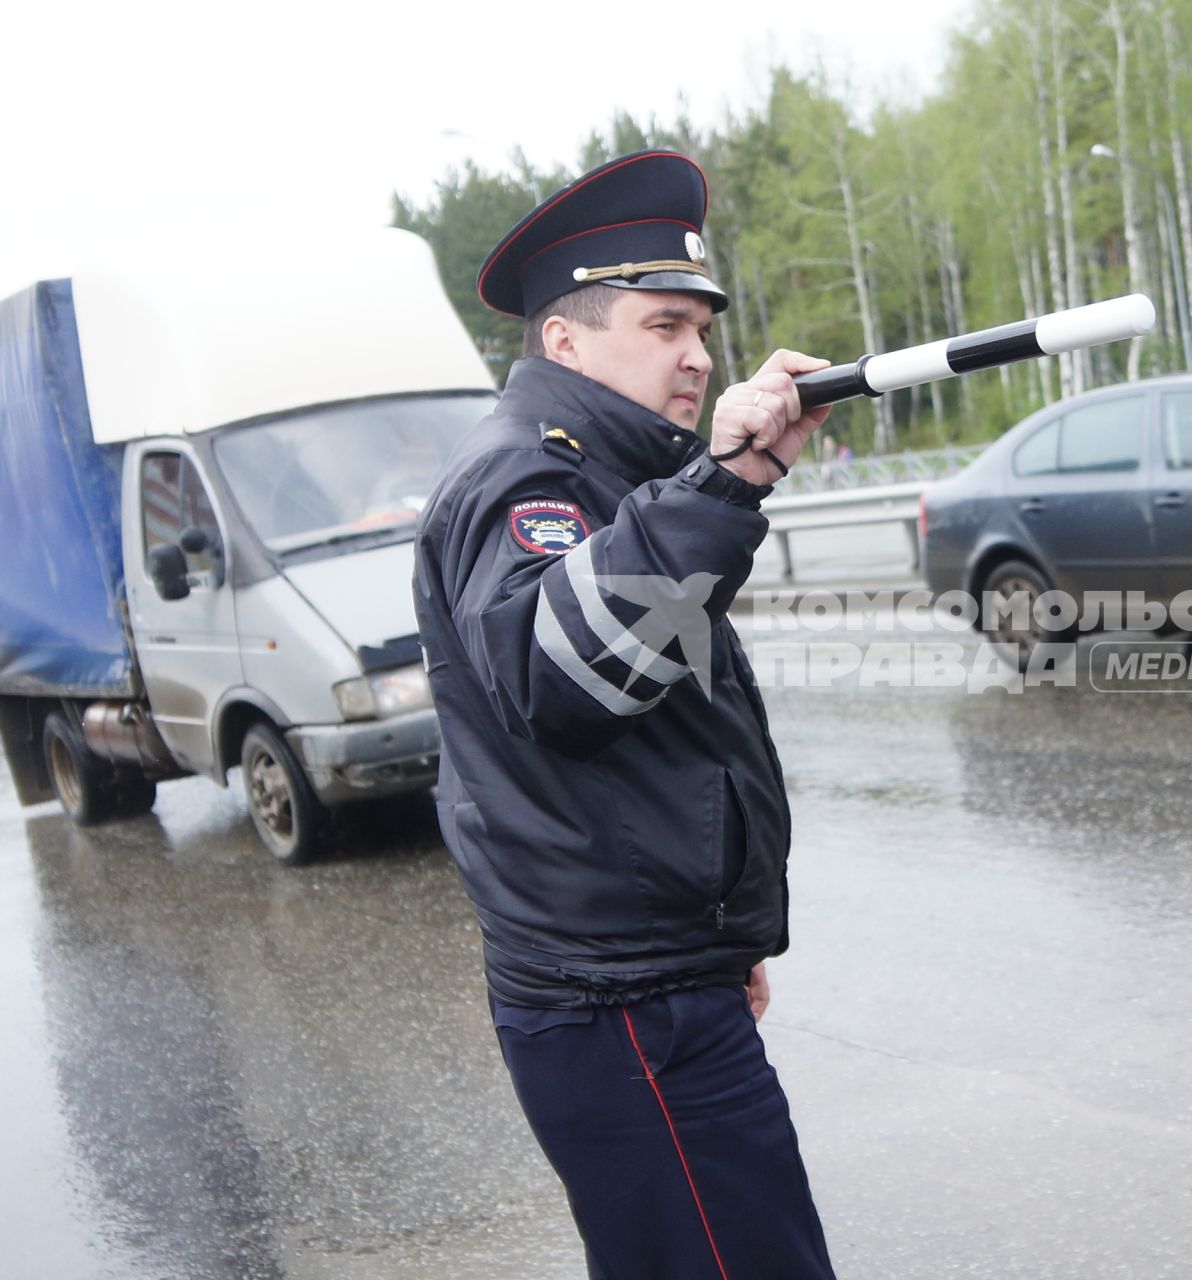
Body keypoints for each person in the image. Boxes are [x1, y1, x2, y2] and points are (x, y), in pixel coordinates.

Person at [412, 151, 838, 1280]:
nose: (698, 353)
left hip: (655, 977)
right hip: (622, 1003)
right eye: (662, 325)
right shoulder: (526, 484)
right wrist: (725, 484)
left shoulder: (620, 482)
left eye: (703, 327)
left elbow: (660, 722)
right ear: (567, 340)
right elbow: (566, 677)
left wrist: (718, 931)